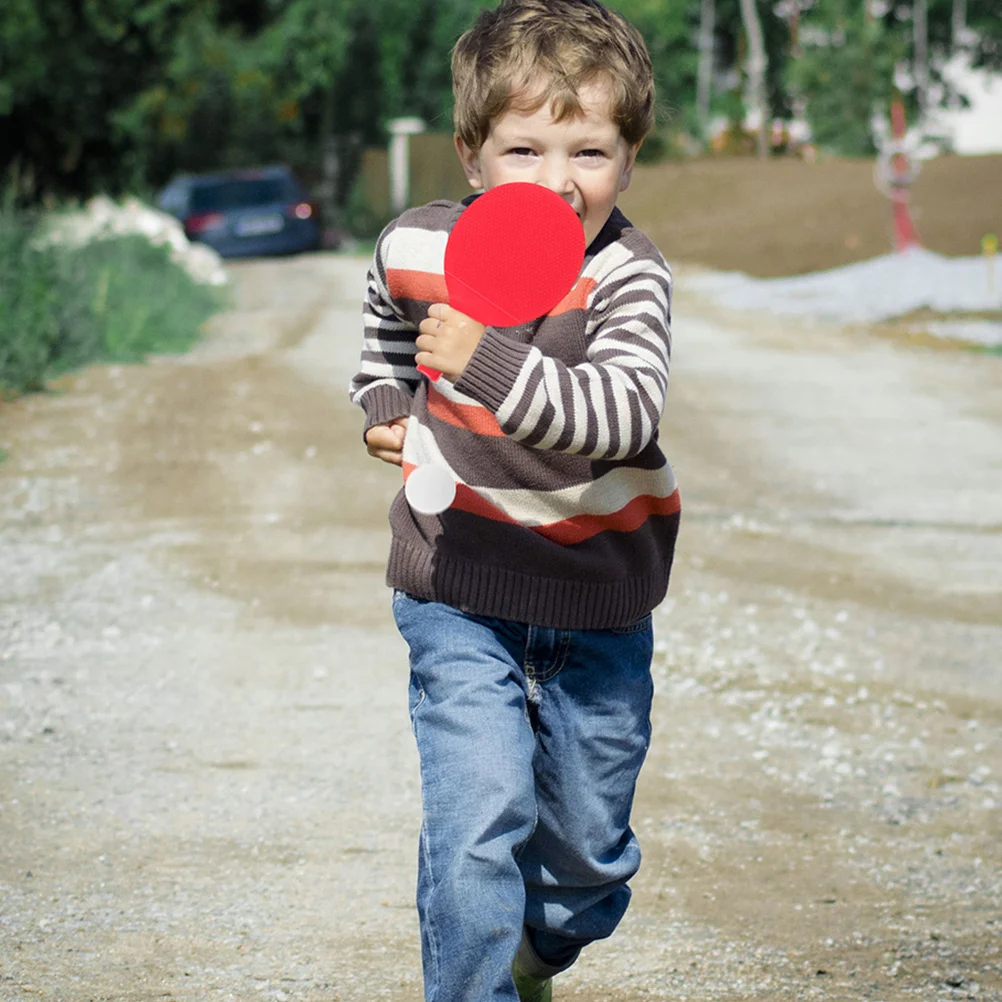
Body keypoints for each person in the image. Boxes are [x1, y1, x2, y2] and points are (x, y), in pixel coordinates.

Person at [348, 1, 679, 998]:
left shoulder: (626, 276)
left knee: (585, 870)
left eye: (590, 151)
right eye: (525, 149)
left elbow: (621, 414)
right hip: (458, 585)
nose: (557, 179)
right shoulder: (419, 245)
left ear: (628, 161)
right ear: (472, 154)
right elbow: (386, 321)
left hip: (594, 599)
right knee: (475, 824)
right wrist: (386, 403)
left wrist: (483, 361)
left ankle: (537, 955)